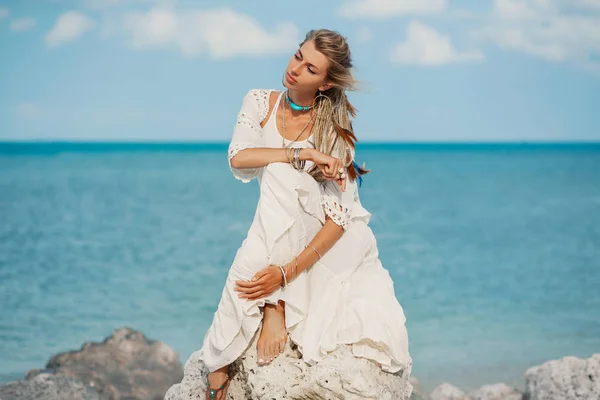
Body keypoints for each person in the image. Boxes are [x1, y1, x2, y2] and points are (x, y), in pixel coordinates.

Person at [200, 29, 412, 400]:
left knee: (281, 180)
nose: (295, 69)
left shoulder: (333, 128)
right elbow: (239, 157)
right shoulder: (259, 101)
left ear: (326, 83)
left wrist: (283, 275)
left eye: (310, 67)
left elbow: (340, 222)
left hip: (329, 245)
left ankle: (255, 325)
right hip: (280, 230)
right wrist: (301, 155)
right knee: (280, 180)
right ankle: (241, 339)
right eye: (298, 55)